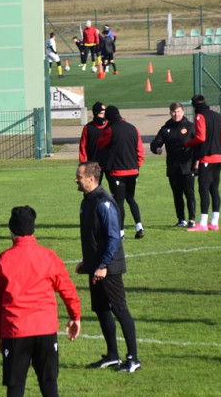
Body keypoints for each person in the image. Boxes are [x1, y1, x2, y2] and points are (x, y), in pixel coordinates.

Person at [0, 206, 82, 397]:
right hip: (45, 330)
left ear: (11, 231)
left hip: (16, 332)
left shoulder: (2, 261)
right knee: (50, 387)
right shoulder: (48, 256)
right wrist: (75, 316)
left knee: (15, 392)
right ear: (33, 230)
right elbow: (66, 287)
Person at [75, 162, 141, 373]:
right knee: (102, 310)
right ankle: (112, 355)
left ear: (91, 179)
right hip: (96, 266)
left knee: (120, 310)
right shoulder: (87, 202)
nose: (76, 180)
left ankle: (133, 359)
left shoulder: (105, 203)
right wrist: (89, 262)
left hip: (109, 268)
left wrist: (103, 264)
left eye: (79, 176)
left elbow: (114, 237)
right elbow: (94, 237)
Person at [96, 105, 146, 239]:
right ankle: (139, 227)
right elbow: (140, 150)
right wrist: (137, 166)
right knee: (131, 199)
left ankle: (121, 232)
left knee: (119, 202)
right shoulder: (133, 128)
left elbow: (100, 143)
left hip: (118, 172)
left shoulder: (110, 130)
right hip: (133, 170)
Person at [150, 102, 197, 228]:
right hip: (173, 167)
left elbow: (199, 145)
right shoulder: (166, 128)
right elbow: (155, 143)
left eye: (178, 111)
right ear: (170, 113)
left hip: (187, 167)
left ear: (183, 112)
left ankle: (192, 219)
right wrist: (157, 149)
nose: (176, 114)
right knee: (177, 195)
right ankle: (181, 219)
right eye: (173, 112)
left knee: (189, 193)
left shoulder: (190, 127)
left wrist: (197, 161)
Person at [185, 94, 221, 231]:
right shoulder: (218, 116)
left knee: (203, 189)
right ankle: (214, 222)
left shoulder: (199, 116)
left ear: (194, 105)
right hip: (219, 157)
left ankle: (202, 223)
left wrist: (188, 143)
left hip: (207, 158)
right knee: (214, 189)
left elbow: (201, 137)